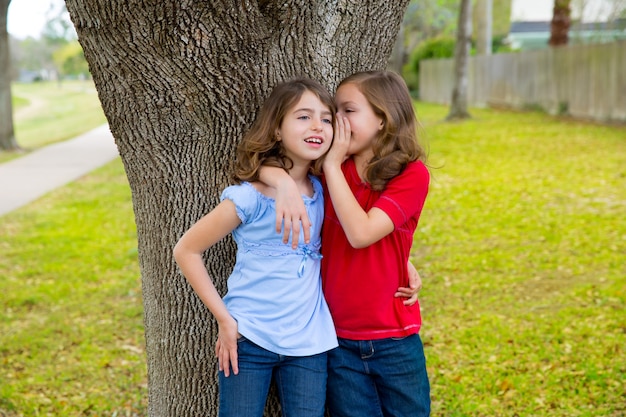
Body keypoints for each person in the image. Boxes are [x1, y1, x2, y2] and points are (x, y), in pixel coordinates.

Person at [260, 70, 431, 416]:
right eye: (334, 110)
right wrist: (284, 184)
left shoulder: (410, 174)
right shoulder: (327, 168)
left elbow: (362, 233)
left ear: (383, 118)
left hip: (394, 338)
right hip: (335, 339)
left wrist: (334, 166)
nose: (336, 121)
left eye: (347, 110)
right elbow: (262, 166)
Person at [173, 78, 338, 417]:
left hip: (310, 341)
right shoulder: (251, 197)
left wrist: (403, 261)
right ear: (277, 129)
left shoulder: (327, 191)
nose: (317, 126)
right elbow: (186, 250)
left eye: (326, 118)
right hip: (248, 337)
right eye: (303, 116)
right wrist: (224, 319)